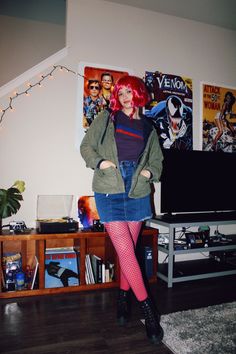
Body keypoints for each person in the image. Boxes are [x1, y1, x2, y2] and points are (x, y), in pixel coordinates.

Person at [80, 75, 164, 345]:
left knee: (129, 249)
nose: (126, 96)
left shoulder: (149, 127)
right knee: (126, 251)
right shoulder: (107, 118)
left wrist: (150, 171)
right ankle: (149, 312)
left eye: (130, 91)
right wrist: (100, 162)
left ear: (139, 93)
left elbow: (157, 160)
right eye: (122, 92)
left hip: (137, 188)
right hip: (110, 186)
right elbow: (86, 147)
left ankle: (122, 300)